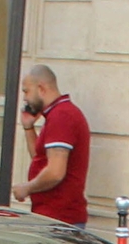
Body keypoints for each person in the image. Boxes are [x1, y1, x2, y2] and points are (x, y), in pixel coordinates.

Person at [11, 64, 89, 227]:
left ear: (41, 88)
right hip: (53, 216)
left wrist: (27, 188)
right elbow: (40, 160)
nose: (25, 98)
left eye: (26, 91)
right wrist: (28, 127)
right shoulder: (56, 115)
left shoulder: (62, 116)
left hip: (59, 219)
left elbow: (55, 172)